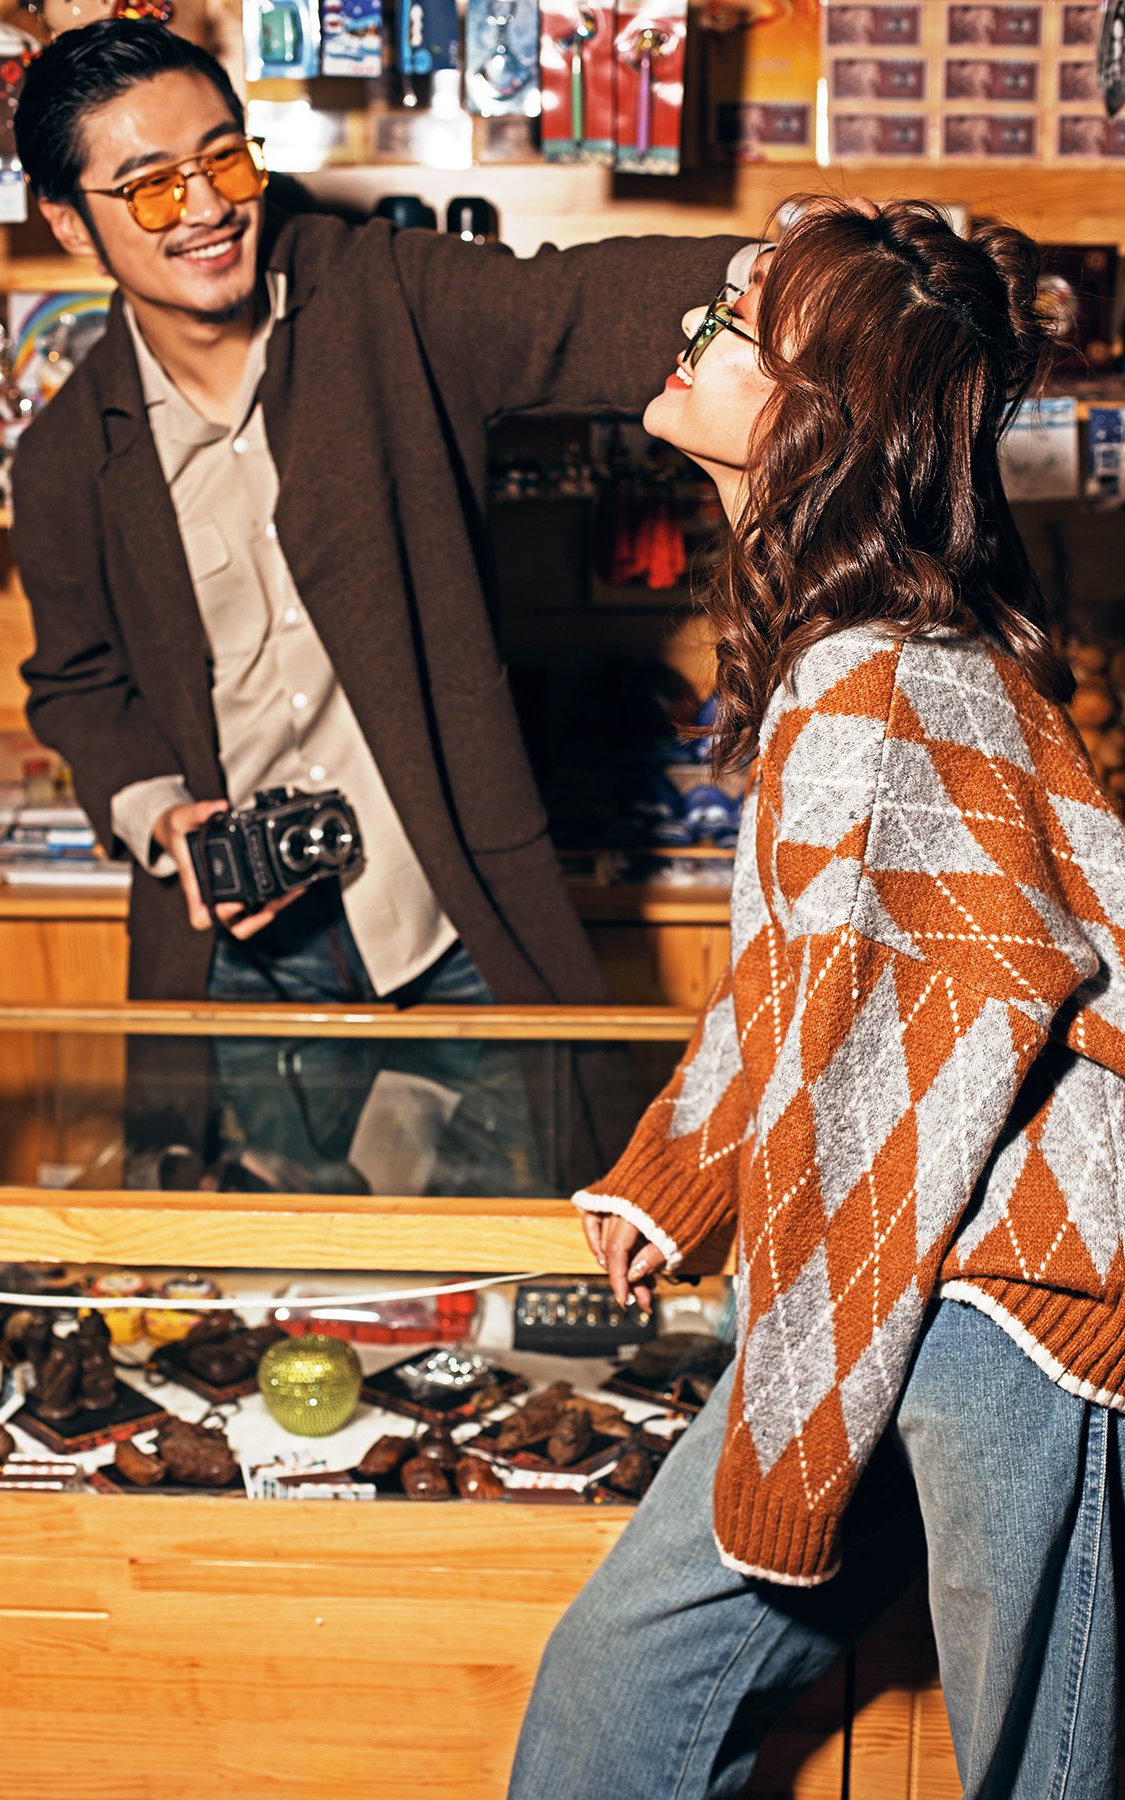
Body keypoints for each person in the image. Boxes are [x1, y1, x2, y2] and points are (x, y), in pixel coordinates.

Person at [509, 199, 1125, 1800]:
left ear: (817, 418)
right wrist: (683, 1173)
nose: (696, 327)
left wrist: (788, 1457)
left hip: (1020, 1307)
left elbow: (874, 1126)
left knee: (1044, 1770)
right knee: (614, 1692)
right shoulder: (865, 649)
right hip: (914, 1278)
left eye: (739, 322)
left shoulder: (877, 680)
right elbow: (808, 983)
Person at [8, 19, 749, 1186]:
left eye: (224, 158)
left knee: (528, 1248)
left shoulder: (377, 294)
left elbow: (570, 306)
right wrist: (162, 817)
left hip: (451, 908)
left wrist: (784, 271)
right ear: (66, 220)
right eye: (150, 187)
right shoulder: (61, 462)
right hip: (250, 956)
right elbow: (77, 681)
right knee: (271, 1264)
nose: (207, 207)